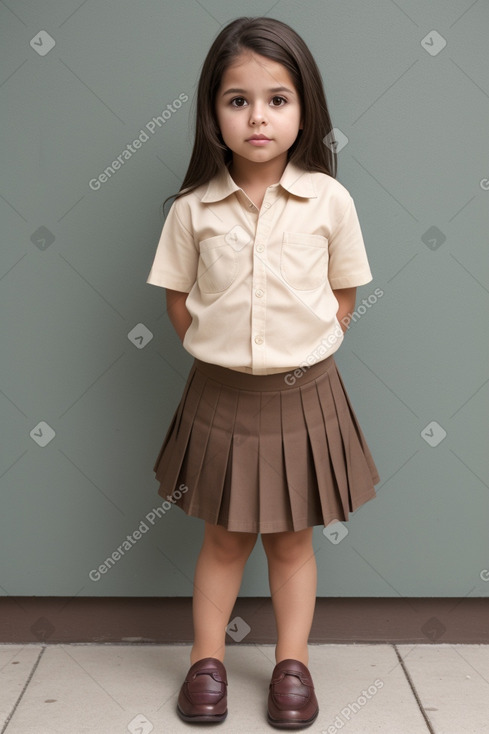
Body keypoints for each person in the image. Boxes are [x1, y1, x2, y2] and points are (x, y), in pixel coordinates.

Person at [146, 16, 380, 730]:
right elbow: (178, 302)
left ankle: (292, 663)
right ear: (213, 114)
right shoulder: (192, 210)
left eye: (277, 99)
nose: (258, 116)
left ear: (303, 109)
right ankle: (205, 661)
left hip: (302, 396)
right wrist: (226, 357)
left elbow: (343, 295)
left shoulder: (328, 201)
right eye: (237, 99)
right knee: (221, 536)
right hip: (219, 397)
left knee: (291, 539)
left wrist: (298, 351)